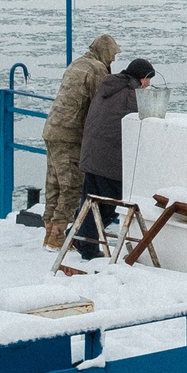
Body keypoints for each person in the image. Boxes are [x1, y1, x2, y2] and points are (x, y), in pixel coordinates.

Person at [42, 33, 118, 249]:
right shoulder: (97, 70)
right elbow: (100, 103)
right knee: (72, 185)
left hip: (52, 129)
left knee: (54, 183)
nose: (113, 59)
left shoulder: (78, 64)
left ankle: (48, 231)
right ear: (105, 52)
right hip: (70, 134)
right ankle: (57, 235)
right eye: (112, 54)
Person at [74, 56, 154, 261]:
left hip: (91, 155)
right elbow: (145, 118)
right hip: (108, 162)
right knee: (109, 206)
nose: (149, 84)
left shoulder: (109, 87)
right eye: (148, 79)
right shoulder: (130, 96)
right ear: (141, 78)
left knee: (89, 201)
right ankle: (89, 248)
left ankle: (74, 236)